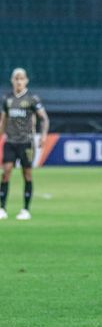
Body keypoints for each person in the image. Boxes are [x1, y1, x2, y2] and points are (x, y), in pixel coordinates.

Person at [0, 68, 49, 221]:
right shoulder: (7, 99)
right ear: (12, 81)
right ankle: (2, 208)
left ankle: (26, 209)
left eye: (21, 79)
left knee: (26, 173)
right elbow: (4, 121)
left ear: (26, 80)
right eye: (16, 78)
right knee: (6, 172)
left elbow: (44, 118)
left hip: (26, 142)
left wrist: (43, 135)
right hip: (11, 141)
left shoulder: (32, 99)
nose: (19, 81)